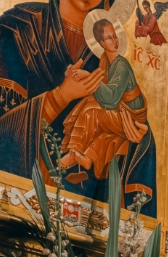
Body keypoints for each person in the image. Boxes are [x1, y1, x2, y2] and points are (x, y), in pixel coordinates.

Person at [0, 0, 157, 215]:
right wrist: (60, 96)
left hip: (88, 212)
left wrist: (133, 130)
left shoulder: (105, 57)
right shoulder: (19, 30)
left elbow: (132, 122)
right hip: (17, 206)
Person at [59, 19, 150, 190]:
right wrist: (75, 74)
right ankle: (86, 157)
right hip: (120, 112)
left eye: (115, 37)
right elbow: (101, 93)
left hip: (131, 117)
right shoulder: (104, 61)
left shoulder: (121, 65)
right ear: (101, 43)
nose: (115, 41)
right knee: (90, 106)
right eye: (109, 38)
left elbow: (110, 99)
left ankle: (73, 154)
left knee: (90, 111)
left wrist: (87, 75)